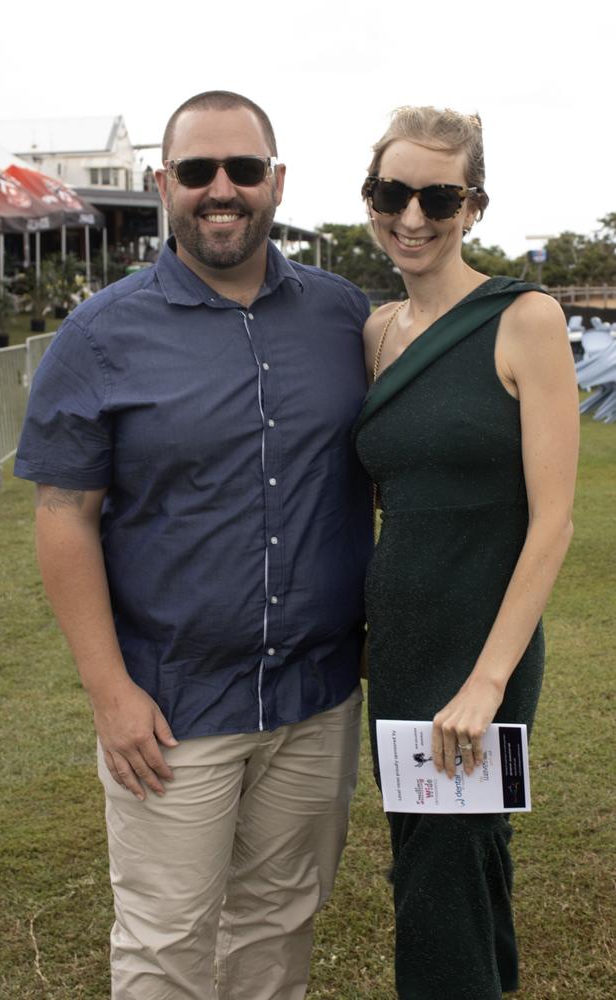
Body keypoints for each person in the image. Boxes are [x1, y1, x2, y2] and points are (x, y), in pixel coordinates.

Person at [14, 90, 373, 1000]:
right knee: (166, 944)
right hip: (170, 714)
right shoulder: (99, 336)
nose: (224, 190)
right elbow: (64, 514)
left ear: (277, 182)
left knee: (278, 924)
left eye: (244, 170)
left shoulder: (345, 320)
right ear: (161, 182)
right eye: (199, 171)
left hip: (315, 698)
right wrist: (109, 695)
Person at [353, 106, 578, 999]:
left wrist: (488, 679)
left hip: (484, 644)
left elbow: (553, 521)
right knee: (437, 859)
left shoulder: (526, 318)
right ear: (370, 199)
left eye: (437, 196)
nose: (412, 215)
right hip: (399, 639)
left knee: (448, 859)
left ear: (473, 205)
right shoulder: (374, 334)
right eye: (391, 192)